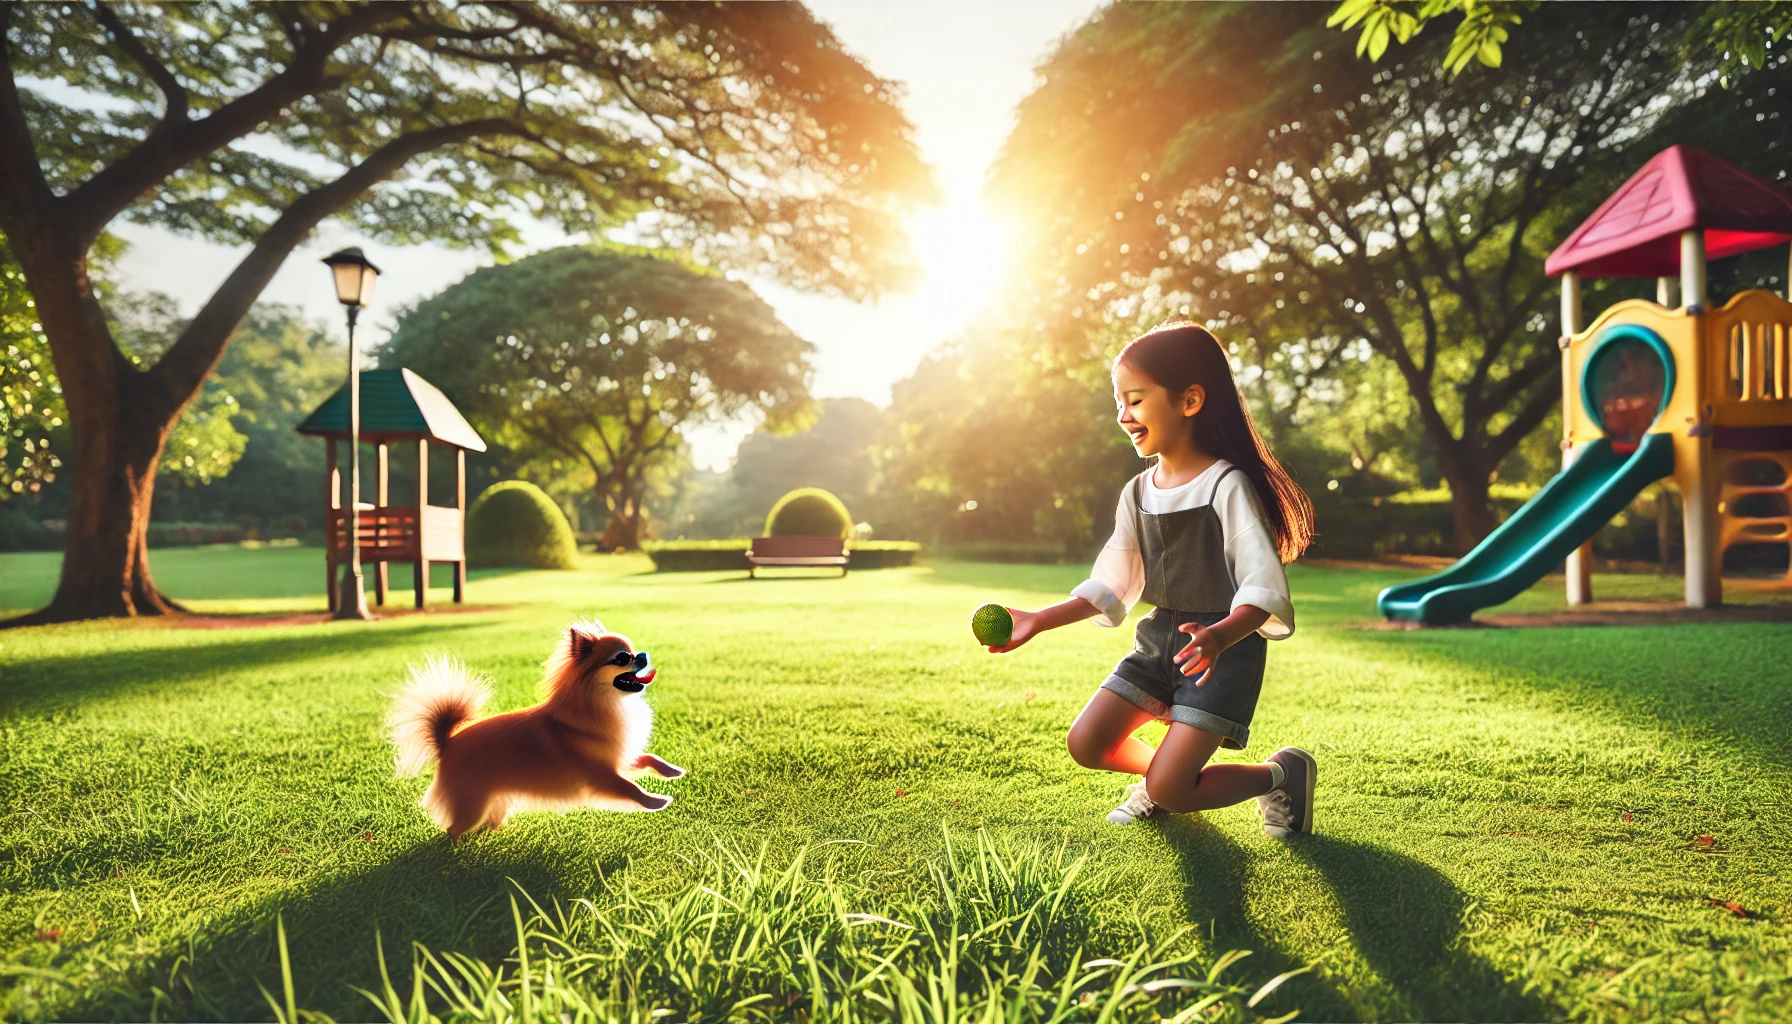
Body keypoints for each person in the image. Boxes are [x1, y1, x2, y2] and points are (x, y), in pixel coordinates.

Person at [987, 321, 1318, 835]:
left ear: (1189, 401)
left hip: (1219, 655)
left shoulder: (1227, 485)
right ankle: (1167, 777)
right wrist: (1039, 619)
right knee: (1087, 743)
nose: (1123, 415)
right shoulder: (1137, 493)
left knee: (1171, 791)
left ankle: (1279, 775)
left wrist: (1219, 637)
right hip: (1158, 642)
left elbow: (1263, 587)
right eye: (1118, 402)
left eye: (1135, 400)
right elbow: (1113, 582)